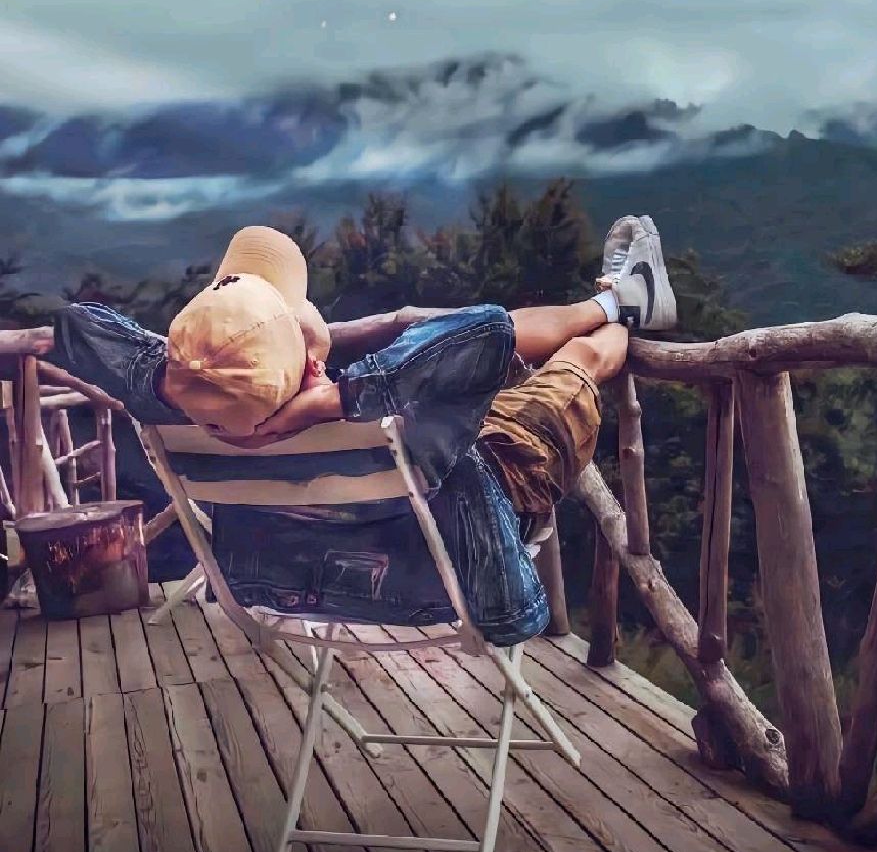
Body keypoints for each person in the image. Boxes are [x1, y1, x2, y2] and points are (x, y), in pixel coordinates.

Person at [46, 216, 677, 645]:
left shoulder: (175, 410)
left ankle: (615, 300)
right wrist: (329, 401)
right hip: (461, 576)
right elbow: (488, 327)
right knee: (577, 363)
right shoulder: (370, 418)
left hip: (287, 583)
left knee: (451, 411)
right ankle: (621, 307)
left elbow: (77, 325)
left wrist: (191, 378)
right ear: (310, 361)